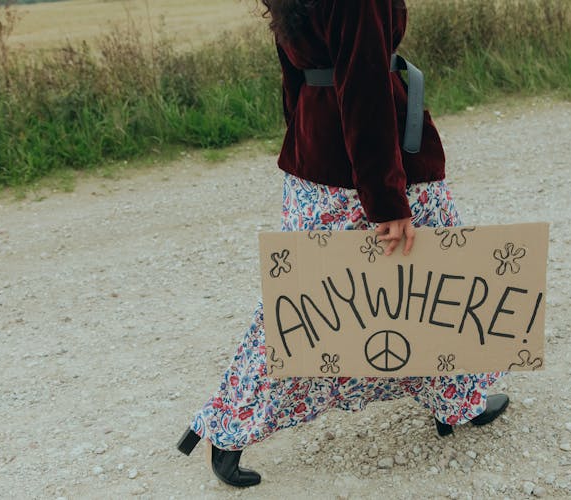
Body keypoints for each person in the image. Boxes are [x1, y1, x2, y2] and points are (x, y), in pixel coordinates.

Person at [177, 0, 509, 488]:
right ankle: (228, 427)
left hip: (318, 161)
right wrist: (387, 201)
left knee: (407, 290)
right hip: (363, 171)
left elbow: (293, 77)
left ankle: (458, 397)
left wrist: (303, 141)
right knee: (322, 305)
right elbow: (366, 89)